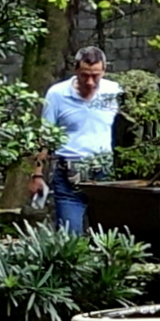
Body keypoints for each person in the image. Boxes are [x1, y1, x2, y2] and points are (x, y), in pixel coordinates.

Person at [39, 47, 123, 229]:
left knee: (109, 233)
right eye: (85, 75)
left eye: (96, 76)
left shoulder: (115, 92)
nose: (91, 82)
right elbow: (45, 137)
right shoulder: (57, 94)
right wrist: (37, 174)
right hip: (69, 171)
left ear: (104, 70)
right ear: (76, 70)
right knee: (70, 234)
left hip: (106, 171)